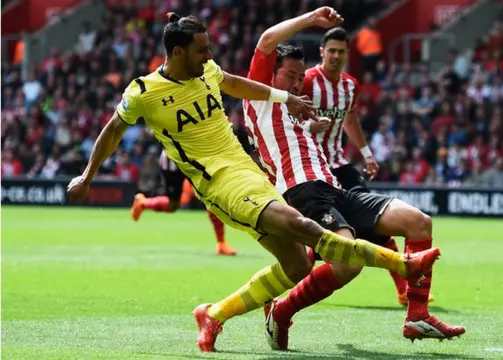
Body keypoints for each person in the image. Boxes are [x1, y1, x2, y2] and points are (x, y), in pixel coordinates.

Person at [66, 12, 440, 353]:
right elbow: (113, 131)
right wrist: (87, 175)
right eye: (201, 50)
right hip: (219, 183)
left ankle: (213, 313)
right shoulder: (144, 93)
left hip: (251, 172)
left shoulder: (208, 71)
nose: (209, 55)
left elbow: (236, 83)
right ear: (177, 52)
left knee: (296, 266)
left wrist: (287, 99)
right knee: (302, 227)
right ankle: (402, 265)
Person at [241, 7, 465, 351]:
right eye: (289, 76)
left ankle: (417, 315)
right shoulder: (259, 98)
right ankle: (282, 312)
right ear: (270, 76)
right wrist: (310, 19)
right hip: (302, 192)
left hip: (335, 187)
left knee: (418, 222)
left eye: (300, 77)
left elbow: (304, 134)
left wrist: (311, 129)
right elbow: (267, 40)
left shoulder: (298, 111)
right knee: (348, 262)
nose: (296, 83)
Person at [302, 26, 434, 306]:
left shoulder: (350, 86)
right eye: (332, 51)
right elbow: (287, 120)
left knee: (376, 222)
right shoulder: (307, 81)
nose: (336, 56)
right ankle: (297, 283)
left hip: (338, 163)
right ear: (322, 52)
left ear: (348, 54)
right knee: (319, 234)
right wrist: (309, 125)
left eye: (341, 51)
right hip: (310, 168)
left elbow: (350, 121)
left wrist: (367, 154)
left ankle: (403, 288)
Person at [130, 150, 237, 255]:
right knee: (173, 205)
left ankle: (221, 244)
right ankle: (142, 203)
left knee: (212, 197)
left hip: (198, 157)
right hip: (173, 161)